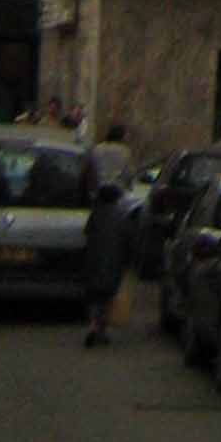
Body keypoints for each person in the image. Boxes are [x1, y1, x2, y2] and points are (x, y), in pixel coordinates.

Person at [80, 143, 131, 347]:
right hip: (113, 265)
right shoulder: (121, 216)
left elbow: (87, 234)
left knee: (94, 296)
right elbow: (128, 240)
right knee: (107, 297)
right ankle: (101, 329)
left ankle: (93, 325)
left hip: (93, 263)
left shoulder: (96, 215)